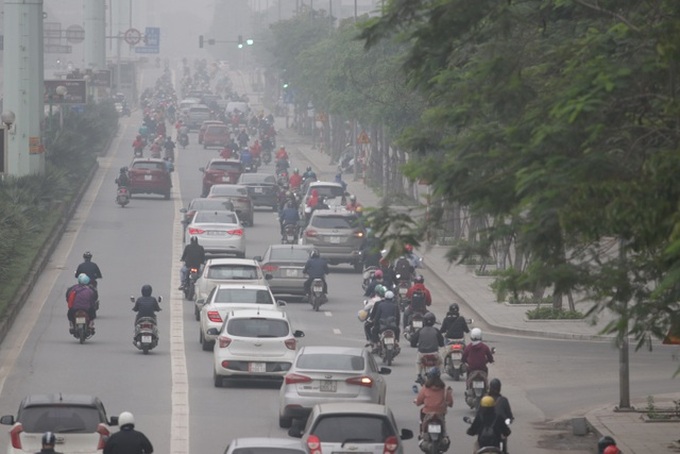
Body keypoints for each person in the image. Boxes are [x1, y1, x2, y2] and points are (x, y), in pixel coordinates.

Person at [414, 367, 453, 439]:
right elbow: (450, 402)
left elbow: (419, 401)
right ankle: (444, 433)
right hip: (440, 413)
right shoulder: (443, 388)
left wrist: (417, 402)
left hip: (427, 412)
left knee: (422, 412)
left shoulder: (425, 388)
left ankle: (422, 432)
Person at [412, 312, 444, 380]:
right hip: (434, 353)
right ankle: (439, 375)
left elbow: (413, 341)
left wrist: (414, 345)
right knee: (441, 362)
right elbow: (441, 343)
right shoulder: (436, 330)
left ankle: (418, 375)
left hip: (422, 353)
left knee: (418, 362)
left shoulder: (420, 330)